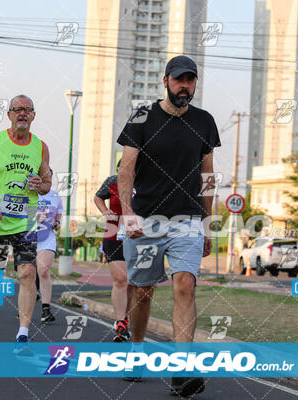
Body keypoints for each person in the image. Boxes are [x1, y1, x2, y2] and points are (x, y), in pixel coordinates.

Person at [116, 55, 220, 396]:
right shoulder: (143, 117)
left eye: (190, 80)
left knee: (185, 285)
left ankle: (181, 369)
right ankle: (137, 350)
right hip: (146, 218)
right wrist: (128, 211)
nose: (184, 86)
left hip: (187, 217)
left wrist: (207, 223)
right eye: (179, 80)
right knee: (143, 291)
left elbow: (207, 176)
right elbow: (126, 168)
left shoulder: (204, 122)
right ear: (166, 82)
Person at [0, 94, 51, 351]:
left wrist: (42, 185)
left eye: (27, 110)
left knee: (27, 272)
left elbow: (47, 184)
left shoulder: (41, 147)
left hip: (24, 221)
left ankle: (22, 334)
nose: (22, 114)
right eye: (17, 109)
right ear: (9, 114)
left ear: (34, 115)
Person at [94, 159, 131, 342]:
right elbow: (98, 197)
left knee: (134, 284)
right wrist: (105, 211)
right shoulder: (112, 182)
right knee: (120, 279)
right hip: (113, 235)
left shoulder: (145, 184)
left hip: (139, 238)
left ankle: (130, 319)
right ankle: (120, 324)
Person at [35, 173, 63, 324]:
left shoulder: (55, 196)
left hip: (47, 238)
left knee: (43, 270)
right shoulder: (28, 194)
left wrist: (57, 224)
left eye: (48, 177)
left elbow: (59, 217)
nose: (46, 180)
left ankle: (46, 310)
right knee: (28, 274)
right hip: (29, 238)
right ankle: (25, 306)